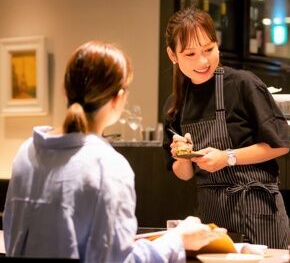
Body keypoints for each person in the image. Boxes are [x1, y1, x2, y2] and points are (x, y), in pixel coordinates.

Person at [3, 41, 226, 262]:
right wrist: (178, 240)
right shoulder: (107, 165)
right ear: (119, 98)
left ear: (65, 91)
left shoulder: (27, 153)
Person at [162, 7, 290, 248]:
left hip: (257, 210)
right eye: (190, 54)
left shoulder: (243, 84)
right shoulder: (175, 104)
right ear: (172, 55)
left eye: (209, 49)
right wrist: (183, 155)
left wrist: (227, 157)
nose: (202, 61)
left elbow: (280, 146)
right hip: (212, 216)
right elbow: (185, 174)